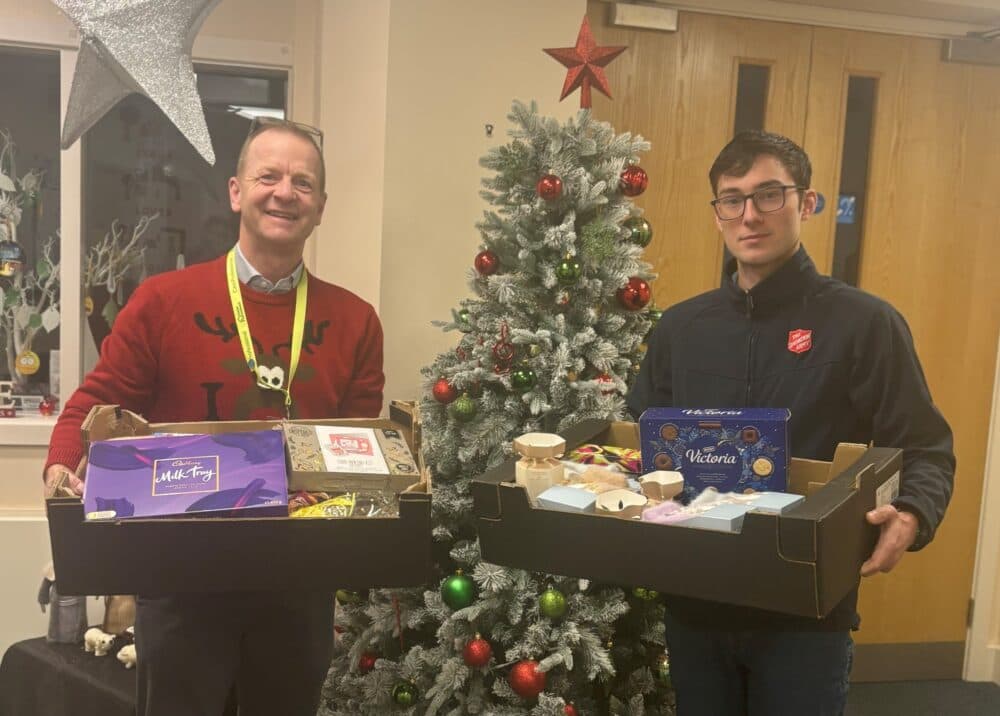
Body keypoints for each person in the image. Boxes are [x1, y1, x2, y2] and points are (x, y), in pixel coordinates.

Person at [43, 118, 385, 716]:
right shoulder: (163, 301)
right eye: (268, 176)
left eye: (303, 182)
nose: (285, 192)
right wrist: (62, 471)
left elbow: (353, 450)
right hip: (181, 589)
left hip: (296, 594)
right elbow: (91, 407)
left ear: (321, 207)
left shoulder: (356, 321)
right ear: (235, 191)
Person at [627, 129, 954, 716]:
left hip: (806, 612)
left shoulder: (865, 324)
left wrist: (912, 512)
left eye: (769, 195)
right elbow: (641, 443)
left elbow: (925, 446)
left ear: (806, 203)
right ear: (718, 214)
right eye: (733, 199)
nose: (750, 215)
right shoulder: (680, 329)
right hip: (695, 600)